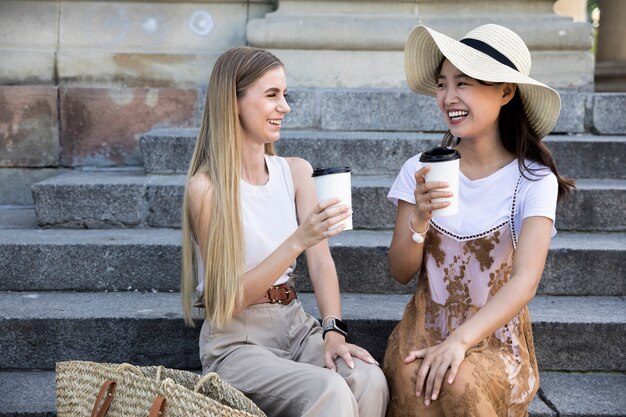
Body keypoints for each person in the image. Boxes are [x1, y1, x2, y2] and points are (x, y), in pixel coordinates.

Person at [180, 46, 389, 417]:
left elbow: (321, 262)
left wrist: (333, 332)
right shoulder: (207, 188)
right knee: (330, 391)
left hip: (295, 323)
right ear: (233, 102)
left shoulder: (294, 171)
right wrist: (297, 240)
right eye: (272, 95)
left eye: (285, 95)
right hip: (237, 341)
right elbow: (224, 300)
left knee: (368, 379)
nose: (285, 107)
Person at [383, 24, 575, 416]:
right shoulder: (419, 170)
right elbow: (399, 271)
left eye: (463, 84)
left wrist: (458, 341)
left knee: (458, 380)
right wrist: (419, 218)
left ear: (506, 92)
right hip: (423, 327)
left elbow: (525, 281)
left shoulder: (533, 181)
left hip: (493, 339)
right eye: (442, 84)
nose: (448, 97)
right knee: (412, 376)